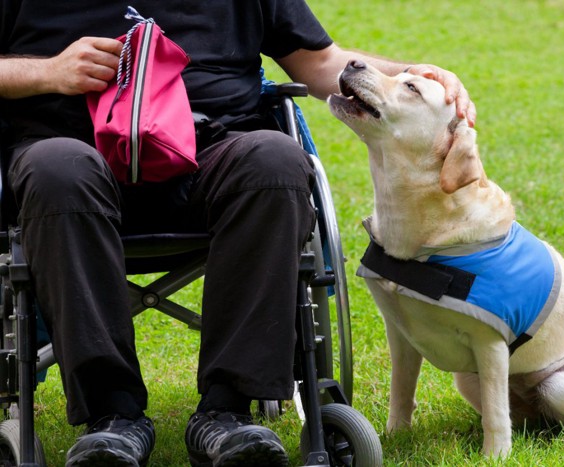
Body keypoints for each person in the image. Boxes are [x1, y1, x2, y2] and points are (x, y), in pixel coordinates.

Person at [0, 1, 476, 466]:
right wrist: (49, 72)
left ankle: (226, 413)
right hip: (72, 163)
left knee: (273, 159)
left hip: (211, 152)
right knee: (56, 169)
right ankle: (112, 417)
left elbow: (319, 62)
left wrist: (416, 74)